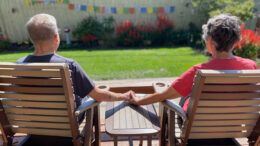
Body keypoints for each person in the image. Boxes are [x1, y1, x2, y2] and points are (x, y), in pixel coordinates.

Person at [129, 14, 258, 117]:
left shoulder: (199, 71)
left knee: (186, 96)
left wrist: (137, 101)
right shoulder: (251, 67)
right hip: (233, 129)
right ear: (235, 41)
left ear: (210, 41)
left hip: (197, 134)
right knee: (188, 93)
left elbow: (163, 96)